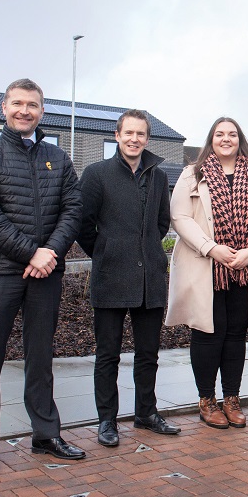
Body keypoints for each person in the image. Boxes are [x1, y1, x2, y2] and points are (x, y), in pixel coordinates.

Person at [0, 78, 84, 481]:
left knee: (41, 358)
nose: (24, 111)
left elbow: (72, 210)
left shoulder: (58, 158)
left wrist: (49, 253)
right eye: (18, 103)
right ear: (4, 107)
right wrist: (31, 252)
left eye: (32, 105)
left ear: (42, 111)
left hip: (45, 275)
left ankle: (46, 434)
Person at [166, 117, 248, 429]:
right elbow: (180, 217)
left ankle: (231, 398)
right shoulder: (193, 173)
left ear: (239, 138)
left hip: (243, 269)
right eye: (219, 134)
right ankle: (207, 400)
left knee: (235, 335)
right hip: (205, 268)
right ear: (211, 139)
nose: (226, 139)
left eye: (231, 134)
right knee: (207, 333)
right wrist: (211, 248)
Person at [78, 109, 179, 446]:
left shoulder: (159, 177)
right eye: (128, 133)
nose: (134, 139)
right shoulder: (96, 174)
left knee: (148, 353)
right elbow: (82, 225)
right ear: (117, 135)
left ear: (147, 139)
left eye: (141, 134)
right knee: (108, 354)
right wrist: (105, 251)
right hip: (111, 277)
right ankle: (107, 420)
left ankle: (146, 413)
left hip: (149, 278)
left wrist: (144, 249)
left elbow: (161, 223)